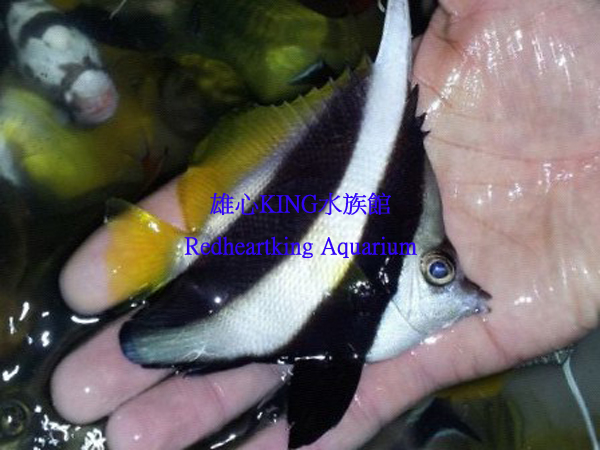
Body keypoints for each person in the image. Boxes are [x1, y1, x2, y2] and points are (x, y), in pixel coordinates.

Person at [50, 0, 600, 448]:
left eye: (441, 270)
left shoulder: (394, 232)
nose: (463, 287)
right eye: (438, 270)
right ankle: (173, 263)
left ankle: (172, 266)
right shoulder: (384, 253)